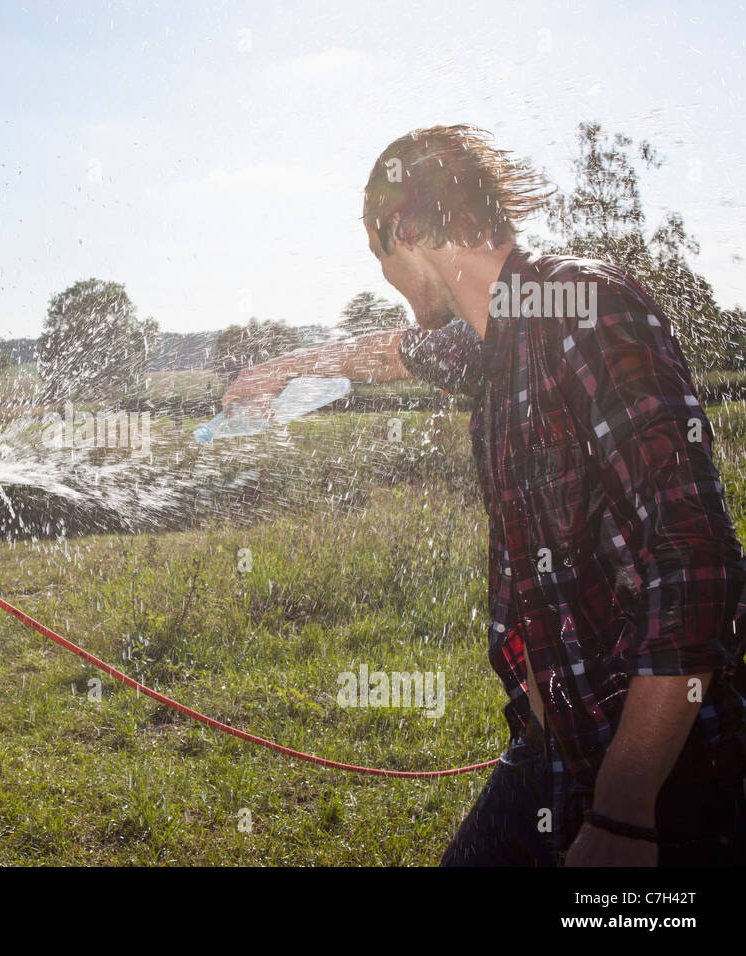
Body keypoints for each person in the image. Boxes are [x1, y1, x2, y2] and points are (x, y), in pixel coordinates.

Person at [222, 125, 746, 866]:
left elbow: (697, 558)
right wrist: (282, 367)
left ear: (405, 228)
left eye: (381, 256)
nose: (385, 281)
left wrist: (626, 809)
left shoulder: (584, 307)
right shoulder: (491, 342)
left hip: (661, 775)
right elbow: (396, 351)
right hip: (550, 752)